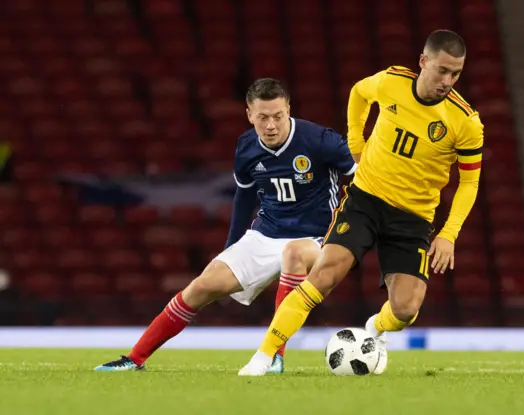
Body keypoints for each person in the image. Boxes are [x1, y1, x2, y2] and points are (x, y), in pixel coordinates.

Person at [238, 29, 484, 376]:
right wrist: (356, 140)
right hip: (365, 199)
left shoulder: (466, 122)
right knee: (325, 273)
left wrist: (449, 234)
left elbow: (470, 181)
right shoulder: (391, 82)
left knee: (405, 309)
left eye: (456, 73)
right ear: (423, 62)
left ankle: (375, 329)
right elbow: (358, 93)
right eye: (442, 70)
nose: (448, 80)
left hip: (413, 218)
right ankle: (263, 357)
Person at [94, 78, 356, 372]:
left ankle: (273, 356)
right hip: (265, 233)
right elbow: (243, 197)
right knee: (201, 286)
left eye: (278, 116)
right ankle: (135, 358)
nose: (271, 125)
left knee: (293, 253)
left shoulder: (321, 141)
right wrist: (230, 248)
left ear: (288, 110)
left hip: (318, 237)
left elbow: (365, 178)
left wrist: (354, 230)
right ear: (249, 115)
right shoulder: (246, 147)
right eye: (262, 118)